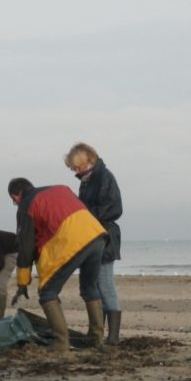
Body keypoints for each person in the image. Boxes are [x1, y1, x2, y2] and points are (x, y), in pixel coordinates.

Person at [8, 177, 108, 352]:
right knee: (90, 288)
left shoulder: (26, 206)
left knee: (47, 293)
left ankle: (61, 343)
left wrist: (23, 283)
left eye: (13, 201)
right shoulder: (61, 188)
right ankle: (96, 339)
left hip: (71, 242)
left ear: (15, 197)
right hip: (96, 236)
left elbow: (25, 247)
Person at [64, 142, 124, 344]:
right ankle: (99, 332)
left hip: (105, 237)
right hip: (91, 237)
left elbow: (114, 208)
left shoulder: (105, 177)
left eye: (77, 167)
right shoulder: (87, 181)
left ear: (88, 160)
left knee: (106, 286)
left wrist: (87, 218)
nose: (76, 171)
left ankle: (113, 337)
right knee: (96, 287)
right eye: (73, 169)